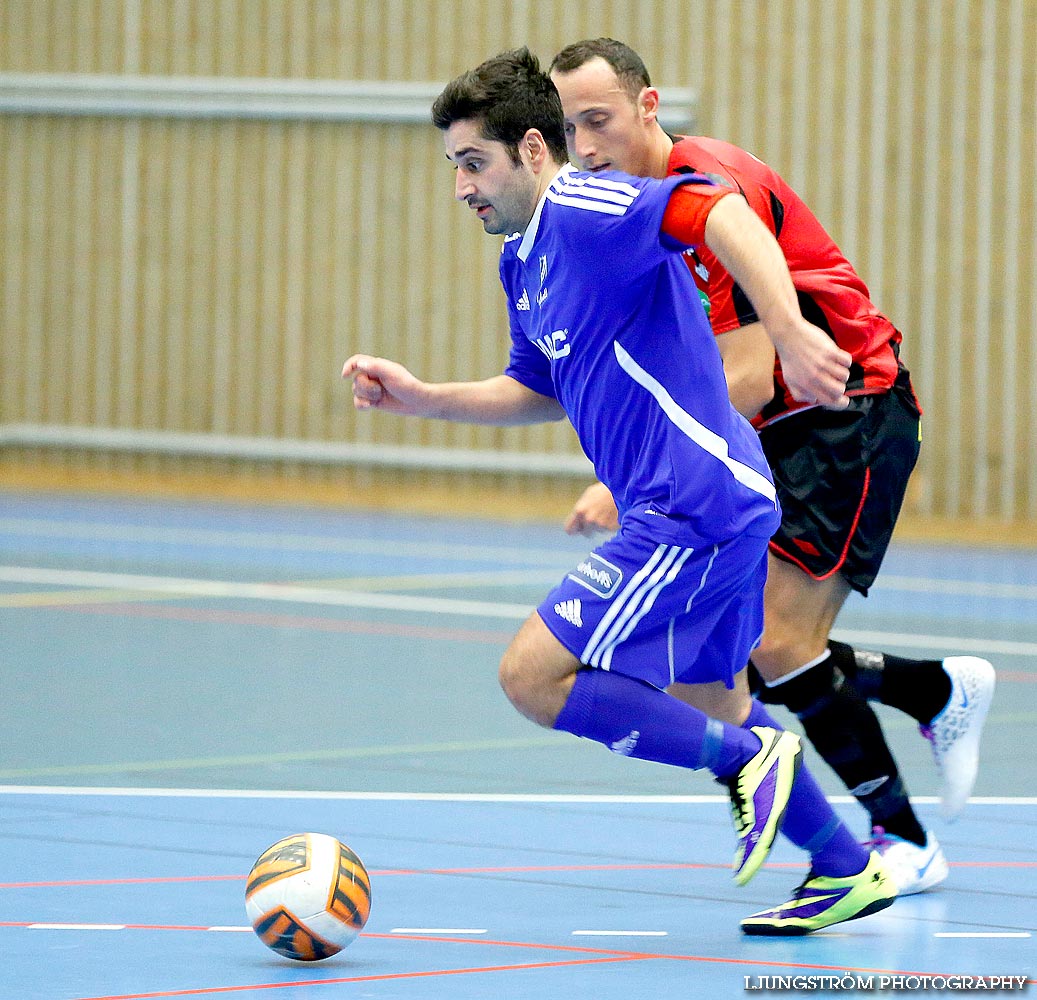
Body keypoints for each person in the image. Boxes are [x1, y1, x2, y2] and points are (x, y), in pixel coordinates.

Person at [343, 46, 895, 935]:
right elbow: (539, 387)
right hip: (712, 503)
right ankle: (844, 865)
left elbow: (717, 215)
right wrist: (424, 397)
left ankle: (754, 758)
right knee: (706, 697)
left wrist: (788, 333)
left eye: (472, 162)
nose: (461, 188)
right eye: (452, 167)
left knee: (532, 675)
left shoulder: (585, 205)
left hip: (692, 505)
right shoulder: (522, 260)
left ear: (531, 148)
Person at [547, 37, 996, 895]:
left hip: (845, 409)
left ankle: (900, 843)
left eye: (599, 120)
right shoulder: (633, 207)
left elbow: (748, 368)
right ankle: (930, 691)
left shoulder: (707, 196)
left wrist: (631, 470)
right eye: (571, 129)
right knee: (725, 661)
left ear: (648, 108)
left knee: (780, 642)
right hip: (776, 427)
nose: (588, 146)